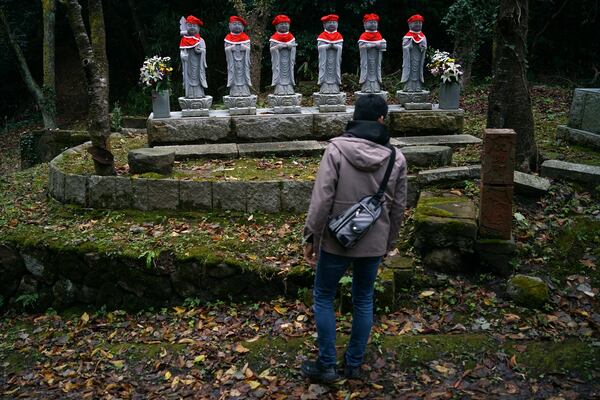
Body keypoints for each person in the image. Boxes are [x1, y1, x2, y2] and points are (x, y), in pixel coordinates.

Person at [301, 94, 408, 383]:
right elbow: (398, 207)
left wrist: (312, 235)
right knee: (363, 299)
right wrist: (389, 242)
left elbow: (322, 199)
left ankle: (326, 365)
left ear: (355, 116)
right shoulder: (396, 158)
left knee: (323, 296)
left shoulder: (336, 150)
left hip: (336, 240)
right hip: (373, 242)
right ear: (382, 119)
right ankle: (353, 364)